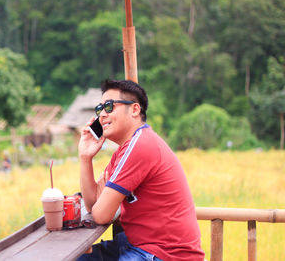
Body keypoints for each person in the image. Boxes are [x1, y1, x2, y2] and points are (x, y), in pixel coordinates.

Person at [77, 80, 205, 261]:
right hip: (139, 245)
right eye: (100, 109)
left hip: (166, 254)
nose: (102, 115)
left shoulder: (141, 145)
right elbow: (92, 205)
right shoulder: (124, 150)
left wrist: (102, 201)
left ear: (135, 110)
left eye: (109, 106)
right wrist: (85, 158)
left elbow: (101, 214)